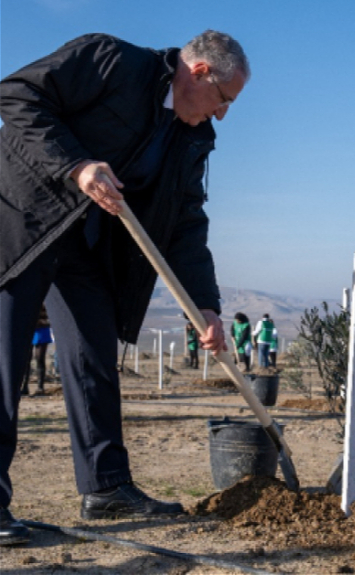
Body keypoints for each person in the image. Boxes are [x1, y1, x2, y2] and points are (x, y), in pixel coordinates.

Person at [0, 30, 247, 546]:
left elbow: (185, 222)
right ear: (199, 73)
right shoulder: (111, 60)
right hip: (25, 221)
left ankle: (106, 487)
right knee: (3, 362)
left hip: (87, 246)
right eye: (224, 100)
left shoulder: (191, 137)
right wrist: (77, 165)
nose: (222, 115)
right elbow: (18, 95)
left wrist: (204, 304)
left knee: (93, 355)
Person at [21, 306, 53, 396]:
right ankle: (24, 386)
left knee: (39, 359)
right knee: (26, 359)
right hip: (28, 328)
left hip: (42, 328)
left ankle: (40, 387)